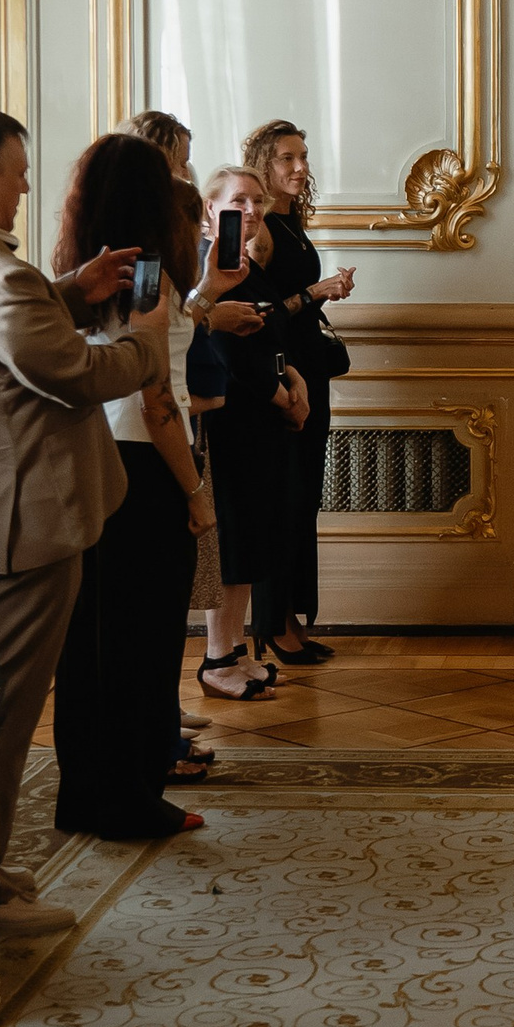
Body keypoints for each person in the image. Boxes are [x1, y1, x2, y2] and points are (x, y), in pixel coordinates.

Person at [0, 101, 164, 935]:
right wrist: (145, 339)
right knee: (3, 715)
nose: (27, 192)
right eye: (19, 177)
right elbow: (73, 376)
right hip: (28, 519)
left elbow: (4, 336)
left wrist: (68, 289)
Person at [49, 133, 212, 842]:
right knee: (143, 644)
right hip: (142, 469)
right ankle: (132, 796)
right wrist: (197, 491)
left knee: (89, 643)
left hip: (87, 460)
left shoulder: (78, 273)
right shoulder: (151, 274)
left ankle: (85, 791)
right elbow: (156, 398)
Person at [189, 163, 307, 701]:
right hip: (232, 422)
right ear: (210, 209)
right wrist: (281, 395)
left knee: (253, 537)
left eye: (257, 201)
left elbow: (269, 332)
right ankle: (218, 658)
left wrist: (294, 378)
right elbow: (225, 352)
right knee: (232, 541)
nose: (252, 210)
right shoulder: (206, 269)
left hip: (260, 420)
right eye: (239, 200)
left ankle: (231, 651)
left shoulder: (244, 265)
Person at [240, 119, 355, 664]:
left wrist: (322, 294)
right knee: (283, 499)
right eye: (287, 158)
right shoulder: (258, 231)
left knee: (303, 496)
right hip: (284, 376)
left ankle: (292, 618)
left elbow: (289, 306)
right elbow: (260, 316)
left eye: (303, 157)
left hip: (311, 371)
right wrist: (314, 292)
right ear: (264, 162)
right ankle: (274, 625)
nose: (300, 167)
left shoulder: (291, 222)